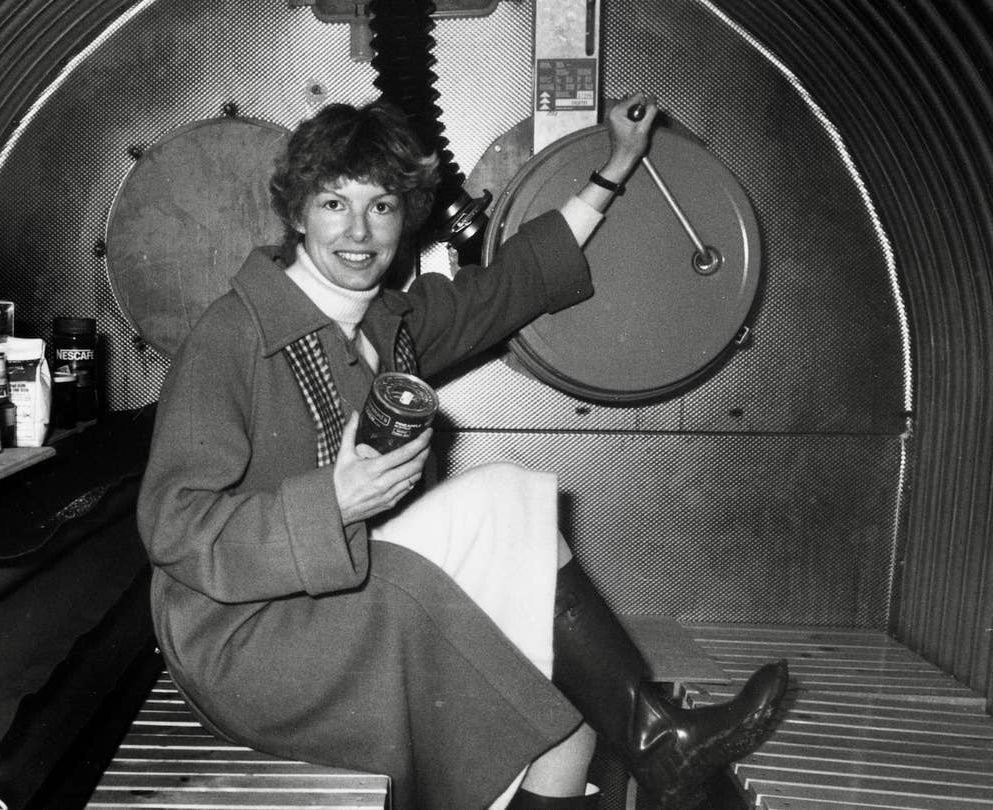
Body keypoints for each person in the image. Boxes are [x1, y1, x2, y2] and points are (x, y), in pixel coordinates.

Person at [137, 95, 787, 810]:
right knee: (502, 503)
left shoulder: (388, 325)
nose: (359, 231)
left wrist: (616, 167)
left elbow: (512, 285)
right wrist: (335, 501)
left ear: (404, 219)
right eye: (333, 204)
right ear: (296, 213)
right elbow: (174, 526)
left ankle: (657, 740)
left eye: (381, 206)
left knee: (563, 712)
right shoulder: (232, 337)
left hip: (345, 592)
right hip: (249, 642)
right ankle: (660, 739)